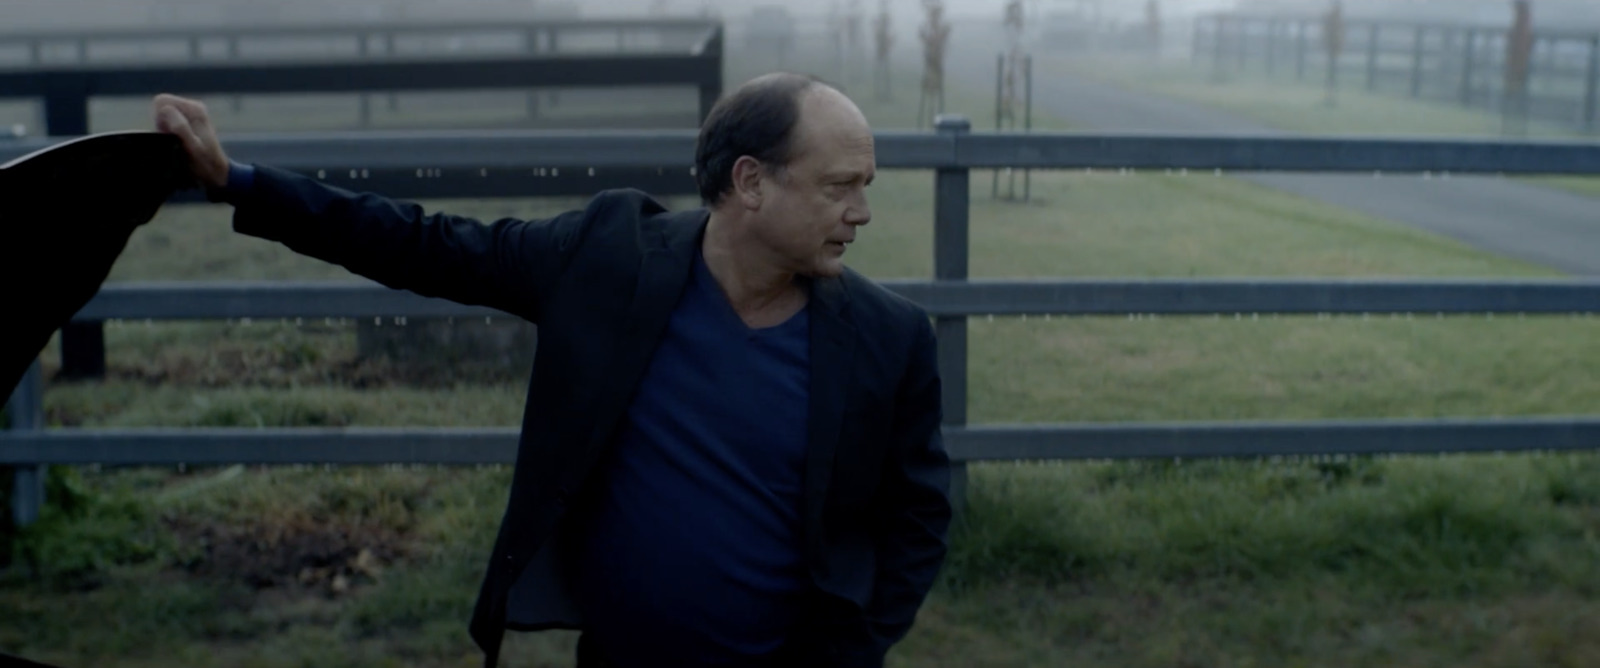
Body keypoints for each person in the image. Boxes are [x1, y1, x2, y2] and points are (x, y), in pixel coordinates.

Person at [150, 72, 953, 668]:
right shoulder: (607, 260)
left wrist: (858, 648)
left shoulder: (890, 338)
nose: (862, 213)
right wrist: (234, 181)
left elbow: (919, 517)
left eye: (866, 187)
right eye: (839, 187)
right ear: (750, 181)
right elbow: (421, 242)